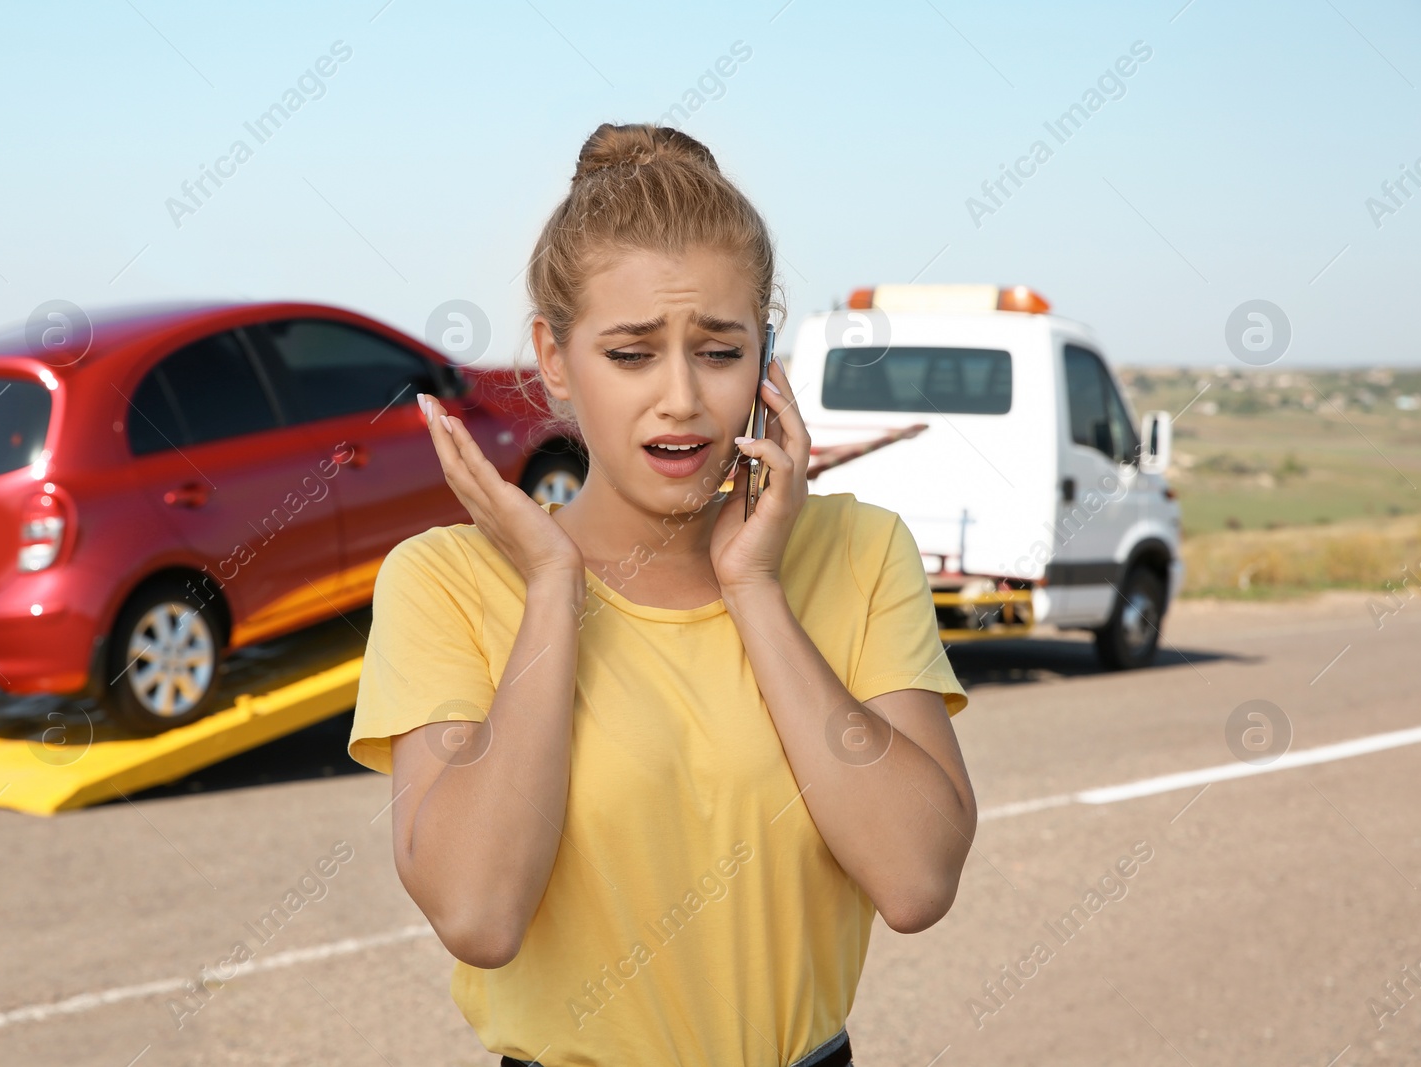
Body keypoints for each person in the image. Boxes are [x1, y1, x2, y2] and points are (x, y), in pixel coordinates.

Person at [347, 121, 975, 1067]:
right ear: (554, 359)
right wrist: (553, 584)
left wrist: (754, 586)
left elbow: (918, 878)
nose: (681, 398)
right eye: (632, 354)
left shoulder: (858, 550)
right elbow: (478, 913)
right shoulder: (445, 580)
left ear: (764, 359)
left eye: (719, 352)